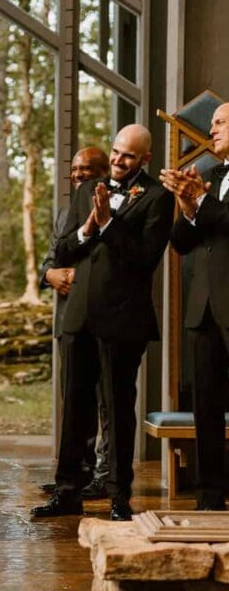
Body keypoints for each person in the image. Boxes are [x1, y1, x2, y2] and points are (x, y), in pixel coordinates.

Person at [31, 125, 173, 522]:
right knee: (74, 409)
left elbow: (145, 258)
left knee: (117, 407)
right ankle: (66, 492)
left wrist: (111, 224)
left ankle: (118, 496)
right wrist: (88, 228)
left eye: (127, 155)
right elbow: (62, 250)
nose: (117, 160)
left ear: (145, 159)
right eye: (115, 151)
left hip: (123, 320)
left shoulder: (158, 198)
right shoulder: (84, 192)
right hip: (79, 314)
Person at [161, 100, 229, 510]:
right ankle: (209, 496)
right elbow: (181, 243)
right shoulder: (211, 176)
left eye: (221, 123)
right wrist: (187, 208)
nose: (212, 129)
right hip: (203, 307)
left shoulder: (208, 188)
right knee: (205, 406)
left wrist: (200, 202)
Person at [40, 147, 110, 499]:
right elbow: (50, 259)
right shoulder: (65, 212)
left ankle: (103, 474)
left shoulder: (112, 208)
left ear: (105, 172)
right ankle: (75, 473)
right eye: (75, 169)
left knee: (105, 401)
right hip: (69, 317)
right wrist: (50, 273)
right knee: (74, 400)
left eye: (89, 169)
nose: (80, 174)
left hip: (103, 316)